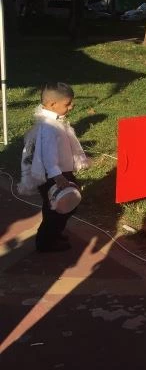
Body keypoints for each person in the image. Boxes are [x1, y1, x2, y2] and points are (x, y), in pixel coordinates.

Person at [26, 83, 90, 252]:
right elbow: (48, 156)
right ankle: (46, 242)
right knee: (58, 208)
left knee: (59, 207)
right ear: (52, 104)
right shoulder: (49, 127)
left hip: (60, 171)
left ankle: (53, 233)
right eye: (67, 104)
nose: (72, 106)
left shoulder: (53, 122)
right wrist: (58, 177)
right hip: (55, 175)